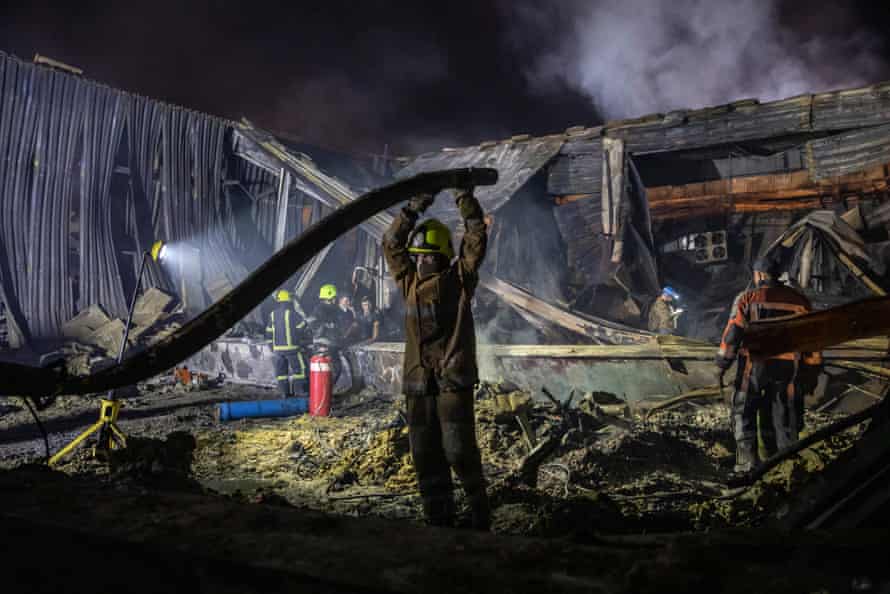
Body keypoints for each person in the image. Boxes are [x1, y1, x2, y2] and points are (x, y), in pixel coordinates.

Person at [382, 188, 490, 530]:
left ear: (441, 256)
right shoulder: (409, 282)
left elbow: (476, 235)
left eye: (425, 256)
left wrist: (465, 199)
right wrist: (412, 209)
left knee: (458, 451)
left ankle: (479, 512)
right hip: (418, 382)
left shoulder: (460, 279)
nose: (419, 261)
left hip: (451, 381)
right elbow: (391, 243)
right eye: (417, 256)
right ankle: (438, 519)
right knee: (425, 455)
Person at [716, 254, 822, 473]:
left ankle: (748, 464)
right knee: (784, 413)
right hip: (787, 368)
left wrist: (722, 364)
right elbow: (812, 339)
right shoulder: (800, 301)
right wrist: (812, 368)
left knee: (744, 411)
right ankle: (787, 465)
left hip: (755, 365)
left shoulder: (747, 299)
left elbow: (732, 335)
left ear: (760, 275)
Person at [266, 290, 311, 399]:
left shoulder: (272, 315)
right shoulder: (293, 314)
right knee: (299, 371)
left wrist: (271, 346)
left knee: (281, 373)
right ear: (289, 301)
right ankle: (300, 393)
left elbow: (268, 332)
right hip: (292, 349)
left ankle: (284, 394)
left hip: (277, 350)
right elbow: (302, 327)